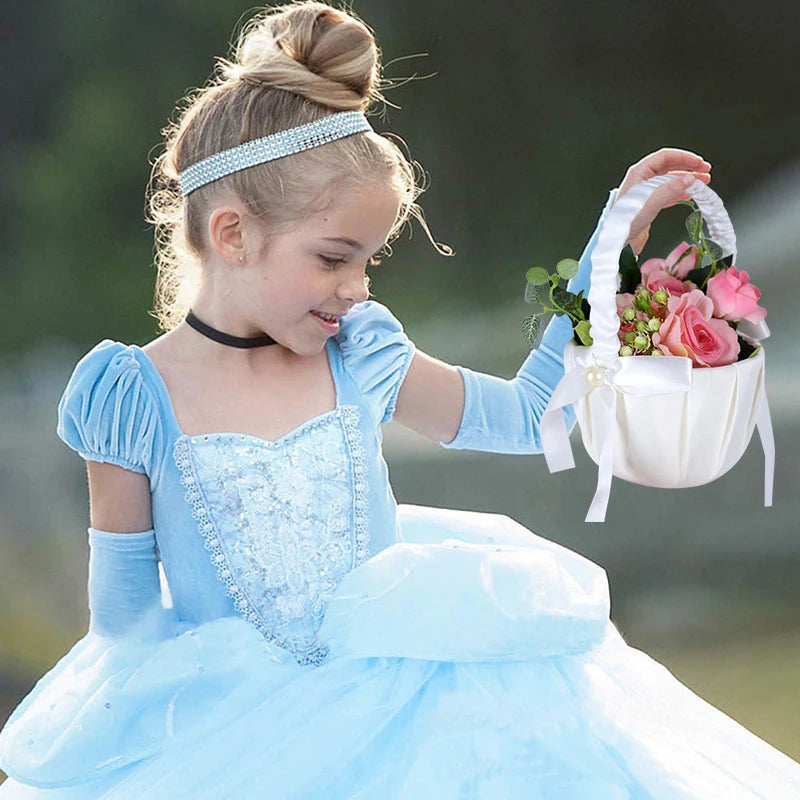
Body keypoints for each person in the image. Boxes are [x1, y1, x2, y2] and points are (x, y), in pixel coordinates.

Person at [1, 2, 798, 797]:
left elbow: (526, 418)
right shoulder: (132, 397)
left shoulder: (361, 354)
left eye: (369, 262)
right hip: (237, 740)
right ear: (234, 234)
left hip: (410, 713)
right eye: (333, 258)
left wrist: (606, 253)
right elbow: (129, 626)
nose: (356, 288)